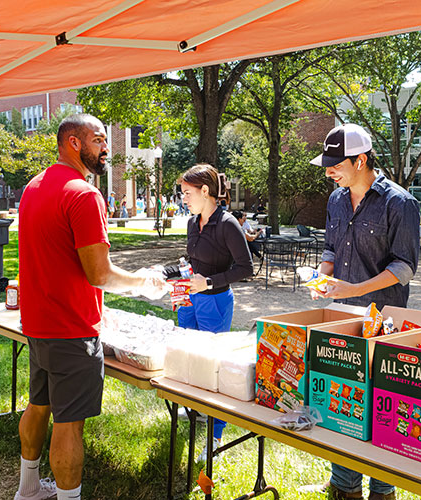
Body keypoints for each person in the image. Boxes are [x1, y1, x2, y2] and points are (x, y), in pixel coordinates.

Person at [15, 114, 167, 500]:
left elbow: (56, 258)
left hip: (37, 323)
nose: (105, 148)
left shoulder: (33, 187)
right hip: (70, 330)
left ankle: (27, 489)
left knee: (38, 404)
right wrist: (143, 283)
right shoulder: (84, 194)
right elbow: (99, 274)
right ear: (74, 143)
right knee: (69, 423)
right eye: (98, 140)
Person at [307, 123, 420, 500]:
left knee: (381, 406)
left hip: (383, 321)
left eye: (335, 165)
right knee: (343, 402)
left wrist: (356, 289)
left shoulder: (400, 202)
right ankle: (344, 487)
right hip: (342, 315)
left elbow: (405, 267)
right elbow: (331, 247)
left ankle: (383, 491)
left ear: (361, 160)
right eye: (327, 165)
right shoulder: (336, 200)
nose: (329, 172)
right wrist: (322, 274)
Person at [177, 164, 253, 454]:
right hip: (189, 300)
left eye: (187, 193)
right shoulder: (191, 222)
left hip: (215, 302)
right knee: (191, 358)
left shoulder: (227, 224)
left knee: (214, 366)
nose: (184, 198)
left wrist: (208, 282)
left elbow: (245, 268)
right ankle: (196, 408)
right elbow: (192, 260)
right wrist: (176, 276)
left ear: (205, 191)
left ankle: (217, 434)